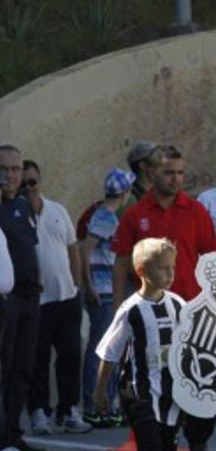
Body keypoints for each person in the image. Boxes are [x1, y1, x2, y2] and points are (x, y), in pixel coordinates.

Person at [20, 161, 92, 435]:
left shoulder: (57, 210)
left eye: (32, 182)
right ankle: (38, 412)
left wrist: (76, 286)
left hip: (66, 299)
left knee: (71, 358)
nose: (28, 188)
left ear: (40, 182)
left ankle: (68, 411)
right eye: (24, 183)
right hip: (34, 303)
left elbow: (73, 249)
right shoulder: (13, 213)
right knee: (36, 360)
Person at [94, 238, 185, 451]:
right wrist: (100, 391)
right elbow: (109, 353)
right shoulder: (130, 309)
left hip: (172, 395)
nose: (171, 274)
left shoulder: (178, 304)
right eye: (163, 269)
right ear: (142, 271)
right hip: (139, 394)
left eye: (173, 267)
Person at [111, 145, 216, 306]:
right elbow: (121, 264)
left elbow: (213, 258)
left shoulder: (196, 211)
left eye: (180, 173)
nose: (176, 178)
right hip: (149, 307)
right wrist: (117, 307)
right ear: (152, 173)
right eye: (168, 173)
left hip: (191, 306)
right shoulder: (134, 215)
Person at [80, 169, 135, 427]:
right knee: (101, 348)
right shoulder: (106, 217)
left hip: (106, 290)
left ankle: (106, 404)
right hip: (101, 291)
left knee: (108, 347)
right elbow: (86, 249)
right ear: (123, 194)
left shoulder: (108, 216)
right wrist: (89, 285)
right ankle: (94, 406)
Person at [0, 145, 43, 451]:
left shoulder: (24, 206)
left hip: (30, 300)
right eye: (4, 169)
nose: (11, 176)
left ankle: (13, 433)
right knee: (3, 370)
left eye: (16, 169)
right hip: (6, 300)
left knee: (23, 369)